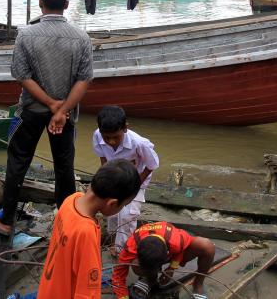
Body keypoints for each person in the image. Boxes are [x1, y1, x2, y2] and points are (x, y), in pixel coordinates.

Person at [0, 0, 93, 235]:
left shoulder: (26, 34)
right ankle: (66, 222)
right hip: (65, 115)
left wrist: (49, 104)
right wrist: (61, 110)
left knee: (17, 162)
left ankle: (6, 220)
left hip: (32, 111)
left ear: (40, 3)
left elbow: (21, 75)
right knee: (64, 167)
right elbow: (84, 80)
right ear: (66, 5)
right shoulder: (81, 37)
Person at [37, 159, 141, 299]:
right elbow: (87, 292)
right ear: (112, 203)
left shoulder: (71, 200)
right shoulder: (86, 232)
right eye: (124, 205)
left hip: (48, 289)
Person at [92, 106, 159, 255]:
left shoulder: (139, 143)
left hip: (137, 180)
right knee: (112, 212)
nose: (111, 141)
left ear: (125, 128)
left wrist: (135, 186)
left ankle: (123, 251)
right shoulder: (97, 135)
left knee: (128, 215)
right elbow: (103, 158)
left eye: (115, 137)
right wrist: (105, 179)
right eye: (106, 137)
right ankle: (112, 239)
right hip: (114, 178)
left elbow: (151, 165)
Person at [112, 221, 215, 299]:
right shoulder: (131, 246)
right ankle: (149, 279)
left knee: (206, 246)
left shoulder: (176, 240)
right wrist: (123, 297)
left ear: (167, 255)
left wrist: (171, 268)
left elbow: (181, 250)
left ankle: (198, 283)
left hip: (173, 248)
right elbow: (118, 276)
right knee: (136, 265)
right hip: (153, 255)